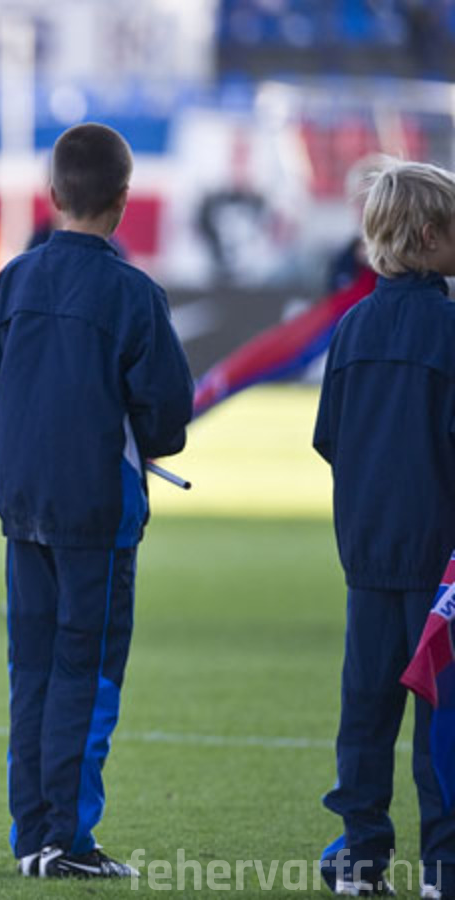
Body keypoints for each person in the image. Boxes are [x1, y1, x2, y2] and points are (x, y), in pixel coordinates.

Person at [0, 122, 193, 879]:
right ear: (124, 199)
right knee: (84, 672)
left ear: (52, 194)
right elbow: (167, 413)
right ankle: (66, 838)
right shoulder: (134, 292)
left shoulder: (15, 279)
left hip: (23, 503)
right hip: (96, 512)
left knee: (30, 668)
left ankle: (34, 833)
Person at [313, 160, 455, 899]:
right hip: (442, 565)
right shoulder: (451, 330)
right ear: (429, 237)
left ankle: (362, 858)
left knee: (365, 717)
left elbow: (329, 438)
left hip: (367, 557)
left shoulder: (352, 328)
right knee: (443, 719)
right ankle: (443, 865)